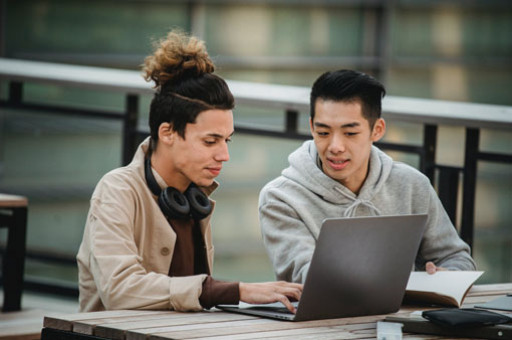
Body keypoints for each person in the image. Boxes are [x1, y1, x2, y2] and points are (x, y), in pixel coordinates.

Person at [77, 30, 302, 313]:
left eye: (226, 140)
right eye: (210, 141)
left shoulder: (193, 197)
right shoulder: (116, 191)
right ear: (168, 132)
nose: (224, 155)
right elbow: (120, 290)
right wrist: (237, 291)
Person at [259, 69, 476, 284]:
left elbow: (457, 258)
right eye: (323, 132)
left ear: (377, 130)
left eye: (350, 133)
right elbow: (306, 277)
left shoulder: (411, 184)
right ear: (311, 127)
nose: (335, 147)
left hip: (403, 315)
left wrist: (445, 275)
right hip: (324, 318)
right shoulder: (281, 197)